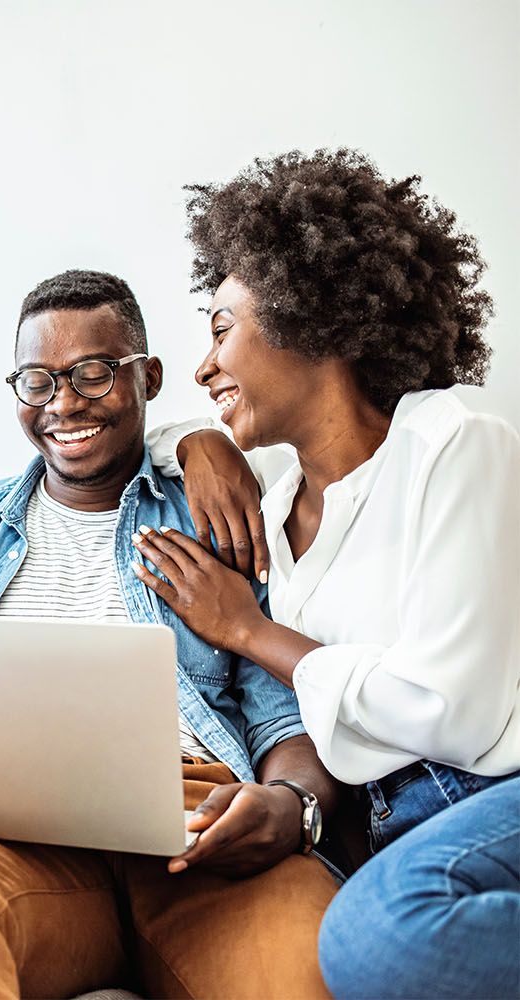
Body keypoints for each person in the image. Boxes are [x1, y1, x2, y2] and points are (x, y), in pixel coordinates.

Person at [0, 269, 341, 1000]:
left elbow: (287, 713)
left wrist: (292, 807)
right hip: (7, 842)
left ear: (147, 377)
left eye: (92, 374)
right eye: (36, 381)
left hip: (199, 831)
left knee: (306, 965)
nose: (62, 404)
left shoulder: (219, 516)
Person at [135, 148, 520, 1000]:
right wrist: (195, 443)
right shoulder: (270, 503)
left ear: (309, 314)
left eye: (220, 327)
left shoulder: (453, 443)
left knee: (376, 937)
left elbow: (454, 713)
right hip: (385, 828)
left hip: (492, 786)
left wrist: (249, 630)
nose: (203, 368)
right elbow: (152, 432)